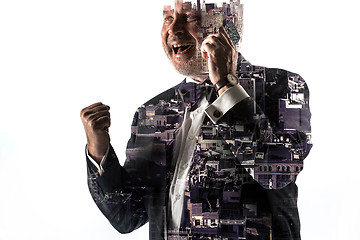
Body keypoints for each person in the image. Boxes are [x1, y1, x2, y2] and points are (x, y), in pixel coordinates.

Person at [80, 0, 312, 239]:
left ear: (228, 25)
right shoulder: (152, 111)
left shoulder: (283, 87)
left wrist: (226, 86)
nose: (173, 29)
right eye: (168, 18)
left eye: (189, 17)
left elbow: (276, 173)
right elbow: (128, 215)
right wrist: (99, 151)